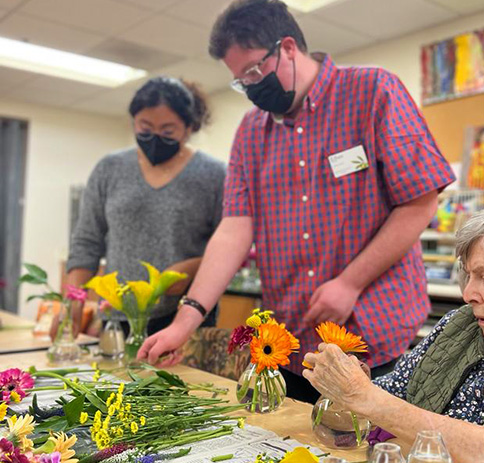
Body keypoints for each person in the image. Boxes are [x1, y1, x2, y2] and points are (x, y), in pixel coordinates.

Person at [138, 0, 455, 402]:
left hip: (376, 337)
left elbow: (419, 202)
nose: (251, 85)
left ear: (288, 47)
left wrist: (349, 283)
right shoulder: (252, 132)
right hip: (291, 344)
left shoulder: (373, 91)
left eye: (254, 70)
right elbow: (234, 229)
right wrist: (186, 321)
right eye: (241, 79)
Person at [303, 193, 484, 463]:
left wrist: (365, 396)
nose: (468, 293)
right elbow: (389, 396)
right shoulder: (460, 327)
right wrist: (351, 386)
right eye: (468, 274)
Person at [61, 76, 226, 337]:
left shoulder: (215, 175)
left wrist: (190, 268)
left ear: (188, 127)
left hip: (185, 318)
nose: (155, 138)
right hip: (117, 317)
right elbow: (86, 242)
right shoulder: (110, 168)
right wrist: (71, 307)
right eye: (145, 129)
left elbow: (229, 249)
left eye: (168, 131)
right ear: (133, 122)